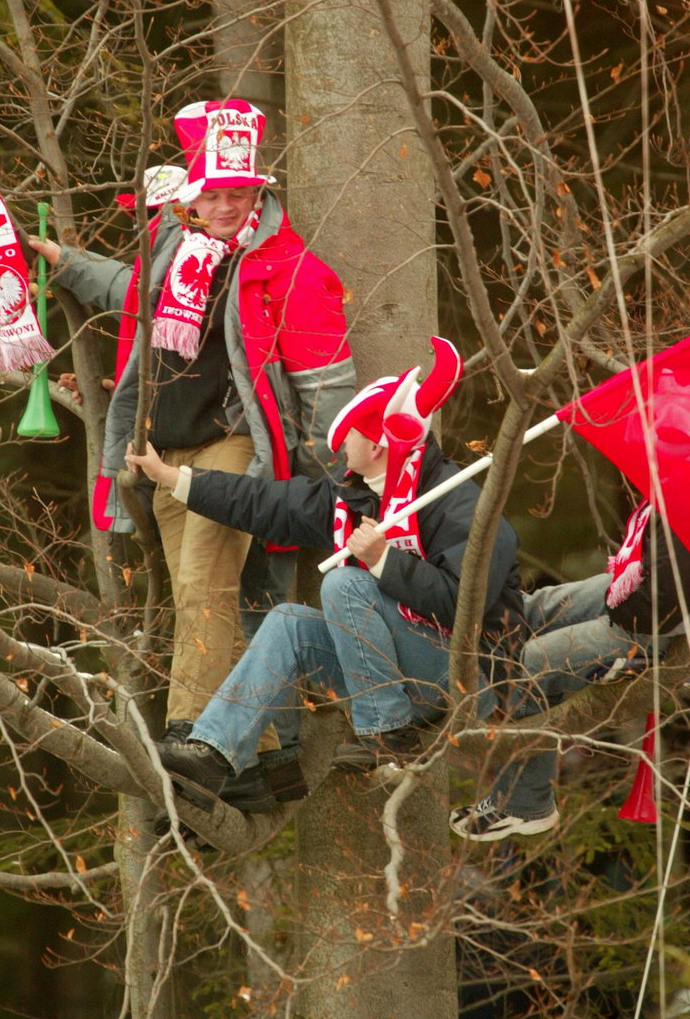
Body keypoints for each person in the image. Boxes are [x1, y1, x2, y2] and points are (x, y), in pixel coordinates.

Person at [29, 99, 355, 809]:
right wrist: (66, 262)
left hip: (234, 446)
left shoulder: (285, 267)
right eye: (215, 193)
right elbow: (132, 294)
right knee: (207, 604)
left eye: (241, 193)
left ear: (258, 194)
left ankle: (193, 740)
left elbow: (326, 384)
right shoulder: (173, 249)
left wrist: (343, 488)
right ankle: (268, 767)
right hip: (161, 450)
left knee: (207, 583)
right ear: (193, 197)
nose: (229, 205)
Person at [124, 339, 527, 814]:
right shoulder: (351, 497)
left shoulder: (459, 502)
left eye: (350, 433)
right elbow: (263, 502)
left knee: (344, 583)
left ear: (375, 444)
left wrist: (382, 561)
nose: (339, 446)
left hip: (458, 677)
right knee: (289, 622)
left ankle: (385, 735)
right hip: (391, 671)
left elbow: (465, 606)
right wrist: (171, 477)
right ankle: (215, 752)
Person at [450, 501, 690, 842]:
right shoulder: (670, 490)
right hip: (636, 590)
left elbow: (664, 605)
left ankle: (525, 804)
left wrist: (612, 607)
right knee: (530, 611)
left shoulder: (682, 499)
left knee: (530, 664)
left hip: (650, 628)